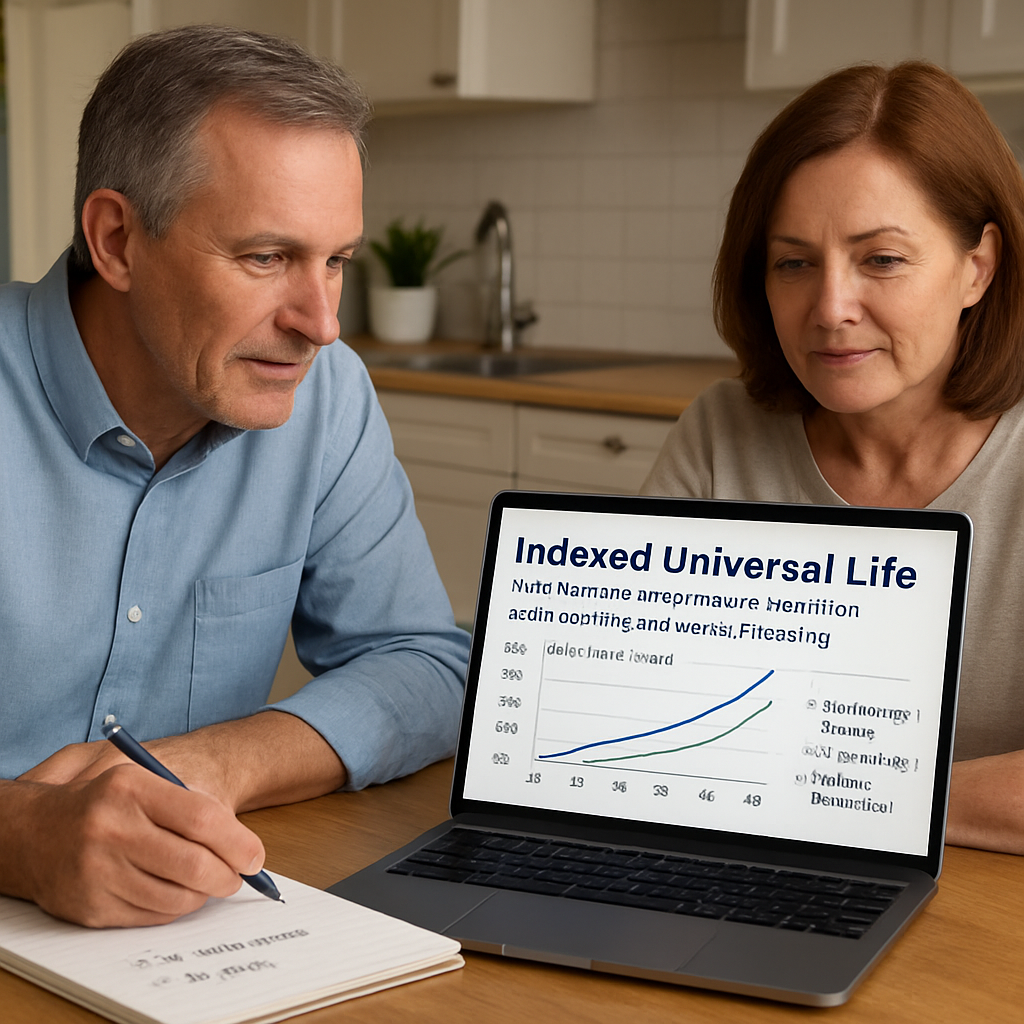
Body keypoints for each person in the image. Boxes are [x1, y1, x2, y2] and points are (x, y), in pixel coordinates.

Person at [0, 25, 470, 926]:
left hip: (187, 928)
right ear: (117, 240)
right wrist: (19, 837)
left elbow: (421, 663)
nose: (321, 324)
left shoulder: (326, 396)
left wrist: (217, 763)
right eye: (266, 258)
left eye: (336, 262)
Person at [642, 60, 1024, 855]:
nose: (830, 308)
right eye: (794, 262)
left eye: (881, 259)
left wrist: (842, 796)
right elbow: (640, 712)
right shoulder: (719, 435)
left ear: (978, 267)